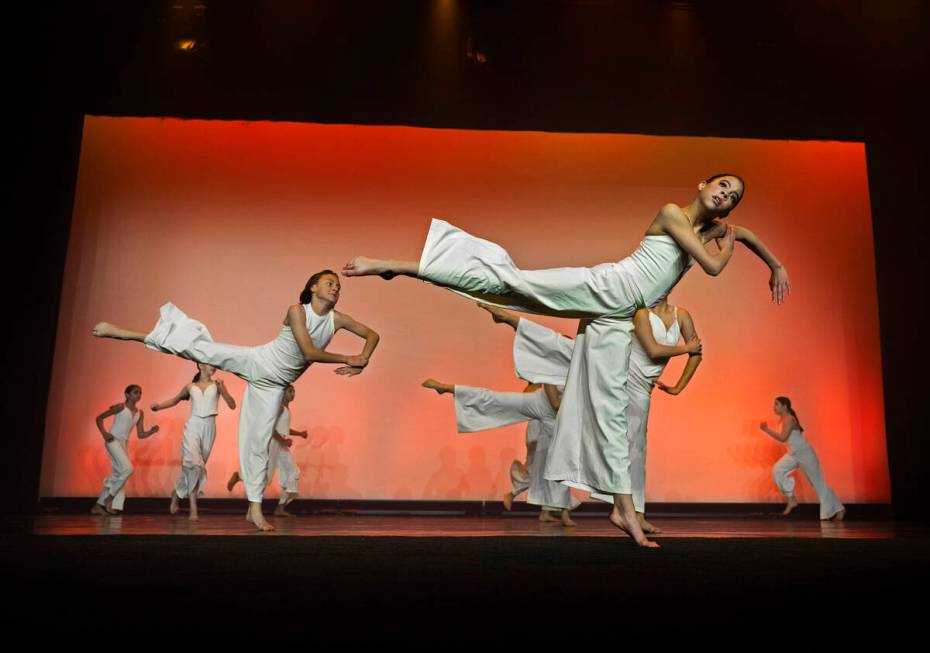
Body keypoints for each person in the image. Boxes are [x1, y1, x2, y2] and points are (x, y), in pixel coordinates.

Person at [344, 174, 788, 547]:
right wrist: (725, 251)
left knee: (611, 414)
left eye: (733, 196)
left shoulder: (711, 230)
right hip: (607, 289)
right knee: (512, 283)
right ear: (704, 184)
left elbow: (745, 234)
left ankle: (625, 513)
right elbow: (712, 267)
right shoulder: (674, 213)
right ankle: (399, 265)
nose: (726, 195)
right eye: (723, 186)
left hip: (618, 318)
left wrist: (776, 264)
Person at [92, 269, 380, 531]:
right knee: (200, 350)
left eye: (338, 286)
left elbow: (372, 335)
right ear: (313, 287)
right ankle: (125, 333)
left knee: (258, 443)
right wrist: (347, 357)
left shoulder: (337, 319)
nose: (335, 288)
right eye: (330, 283)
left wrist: (363, 360)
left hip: (274, 386)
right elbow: (307, 351)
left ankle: (254, 509)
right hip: (256, 361)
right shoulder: (297, 311)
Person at [479, 298, 702, 534]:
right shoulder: (640, 314)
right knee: (569, 351)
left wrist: (679, 386)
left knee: (635, 449)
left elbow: (697, 352)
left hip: (640, 388)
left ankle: (633, 512)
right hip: (620, 379)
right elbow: (655, 350)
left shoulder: (682, 315)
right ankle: (512, 319)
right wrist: (685, 349)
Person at [422, 378, 580, 527]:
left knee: (561, 464)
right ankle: (449, 388)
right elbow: (555, 404)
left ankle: (561, 512)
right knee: (497, 400)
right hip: (546, 408)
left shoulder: (574, 370)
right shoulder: (540, 386)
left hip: (555, 420)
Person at [151, 363, 236, 520]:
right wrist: (158, 406)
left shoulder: (217, 385)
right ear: (200, 365)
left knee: (194, 468)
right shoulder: (190, 386)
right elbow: (175, 400)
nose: (214, 367)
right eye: (211, 363)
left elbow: (232, 405)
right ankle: (193, 509)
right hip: (193, 426)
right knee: (195, 464)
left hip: (209, 427)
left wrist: (223, 388)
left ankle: (176, 493)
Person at [760, 396, 845, 521]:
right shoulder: (782, 420)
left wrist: (767, 430)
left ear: (785, 406)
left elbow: (783, 438)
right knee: (777, 470)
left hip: (805, 454)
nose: (774, 407)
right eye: (774, 405)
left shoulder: (789, 419)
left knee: (818, 484)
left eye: (776, 404)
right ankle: (791, 498)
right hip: (793, 454)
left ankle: (839, 509)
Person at [92, 384, 160, 515]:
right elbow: (99, 418)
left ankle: (97, 506)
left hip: (123, 444)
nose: (138, 395)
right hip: (112, 441)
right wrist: (104, 434)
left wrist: (151, 431)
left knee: (118, 474)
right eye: (135, 392)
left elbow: (140, 434)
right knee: (128, 469)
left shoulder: (140, 413)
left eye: (140, 393)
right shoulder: (120, 407)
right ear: (127, 395)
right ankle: (109, 499)